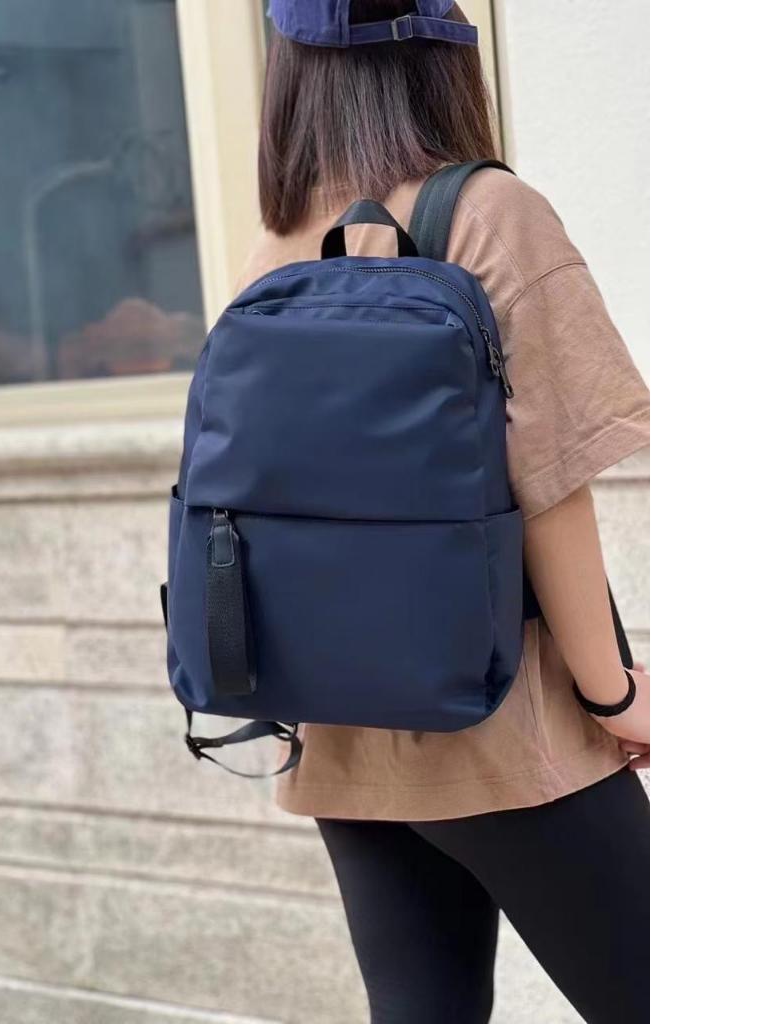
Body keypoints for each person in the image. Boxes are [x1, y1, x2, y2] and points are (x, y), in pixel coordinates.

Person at [235, 3, 651, 1022]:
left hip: (341, 730)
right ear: (445, 61)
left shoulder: (280, 243)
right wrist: (613, 695)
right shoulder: (488, 213)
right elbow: (549, 489)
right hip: (504, 727)